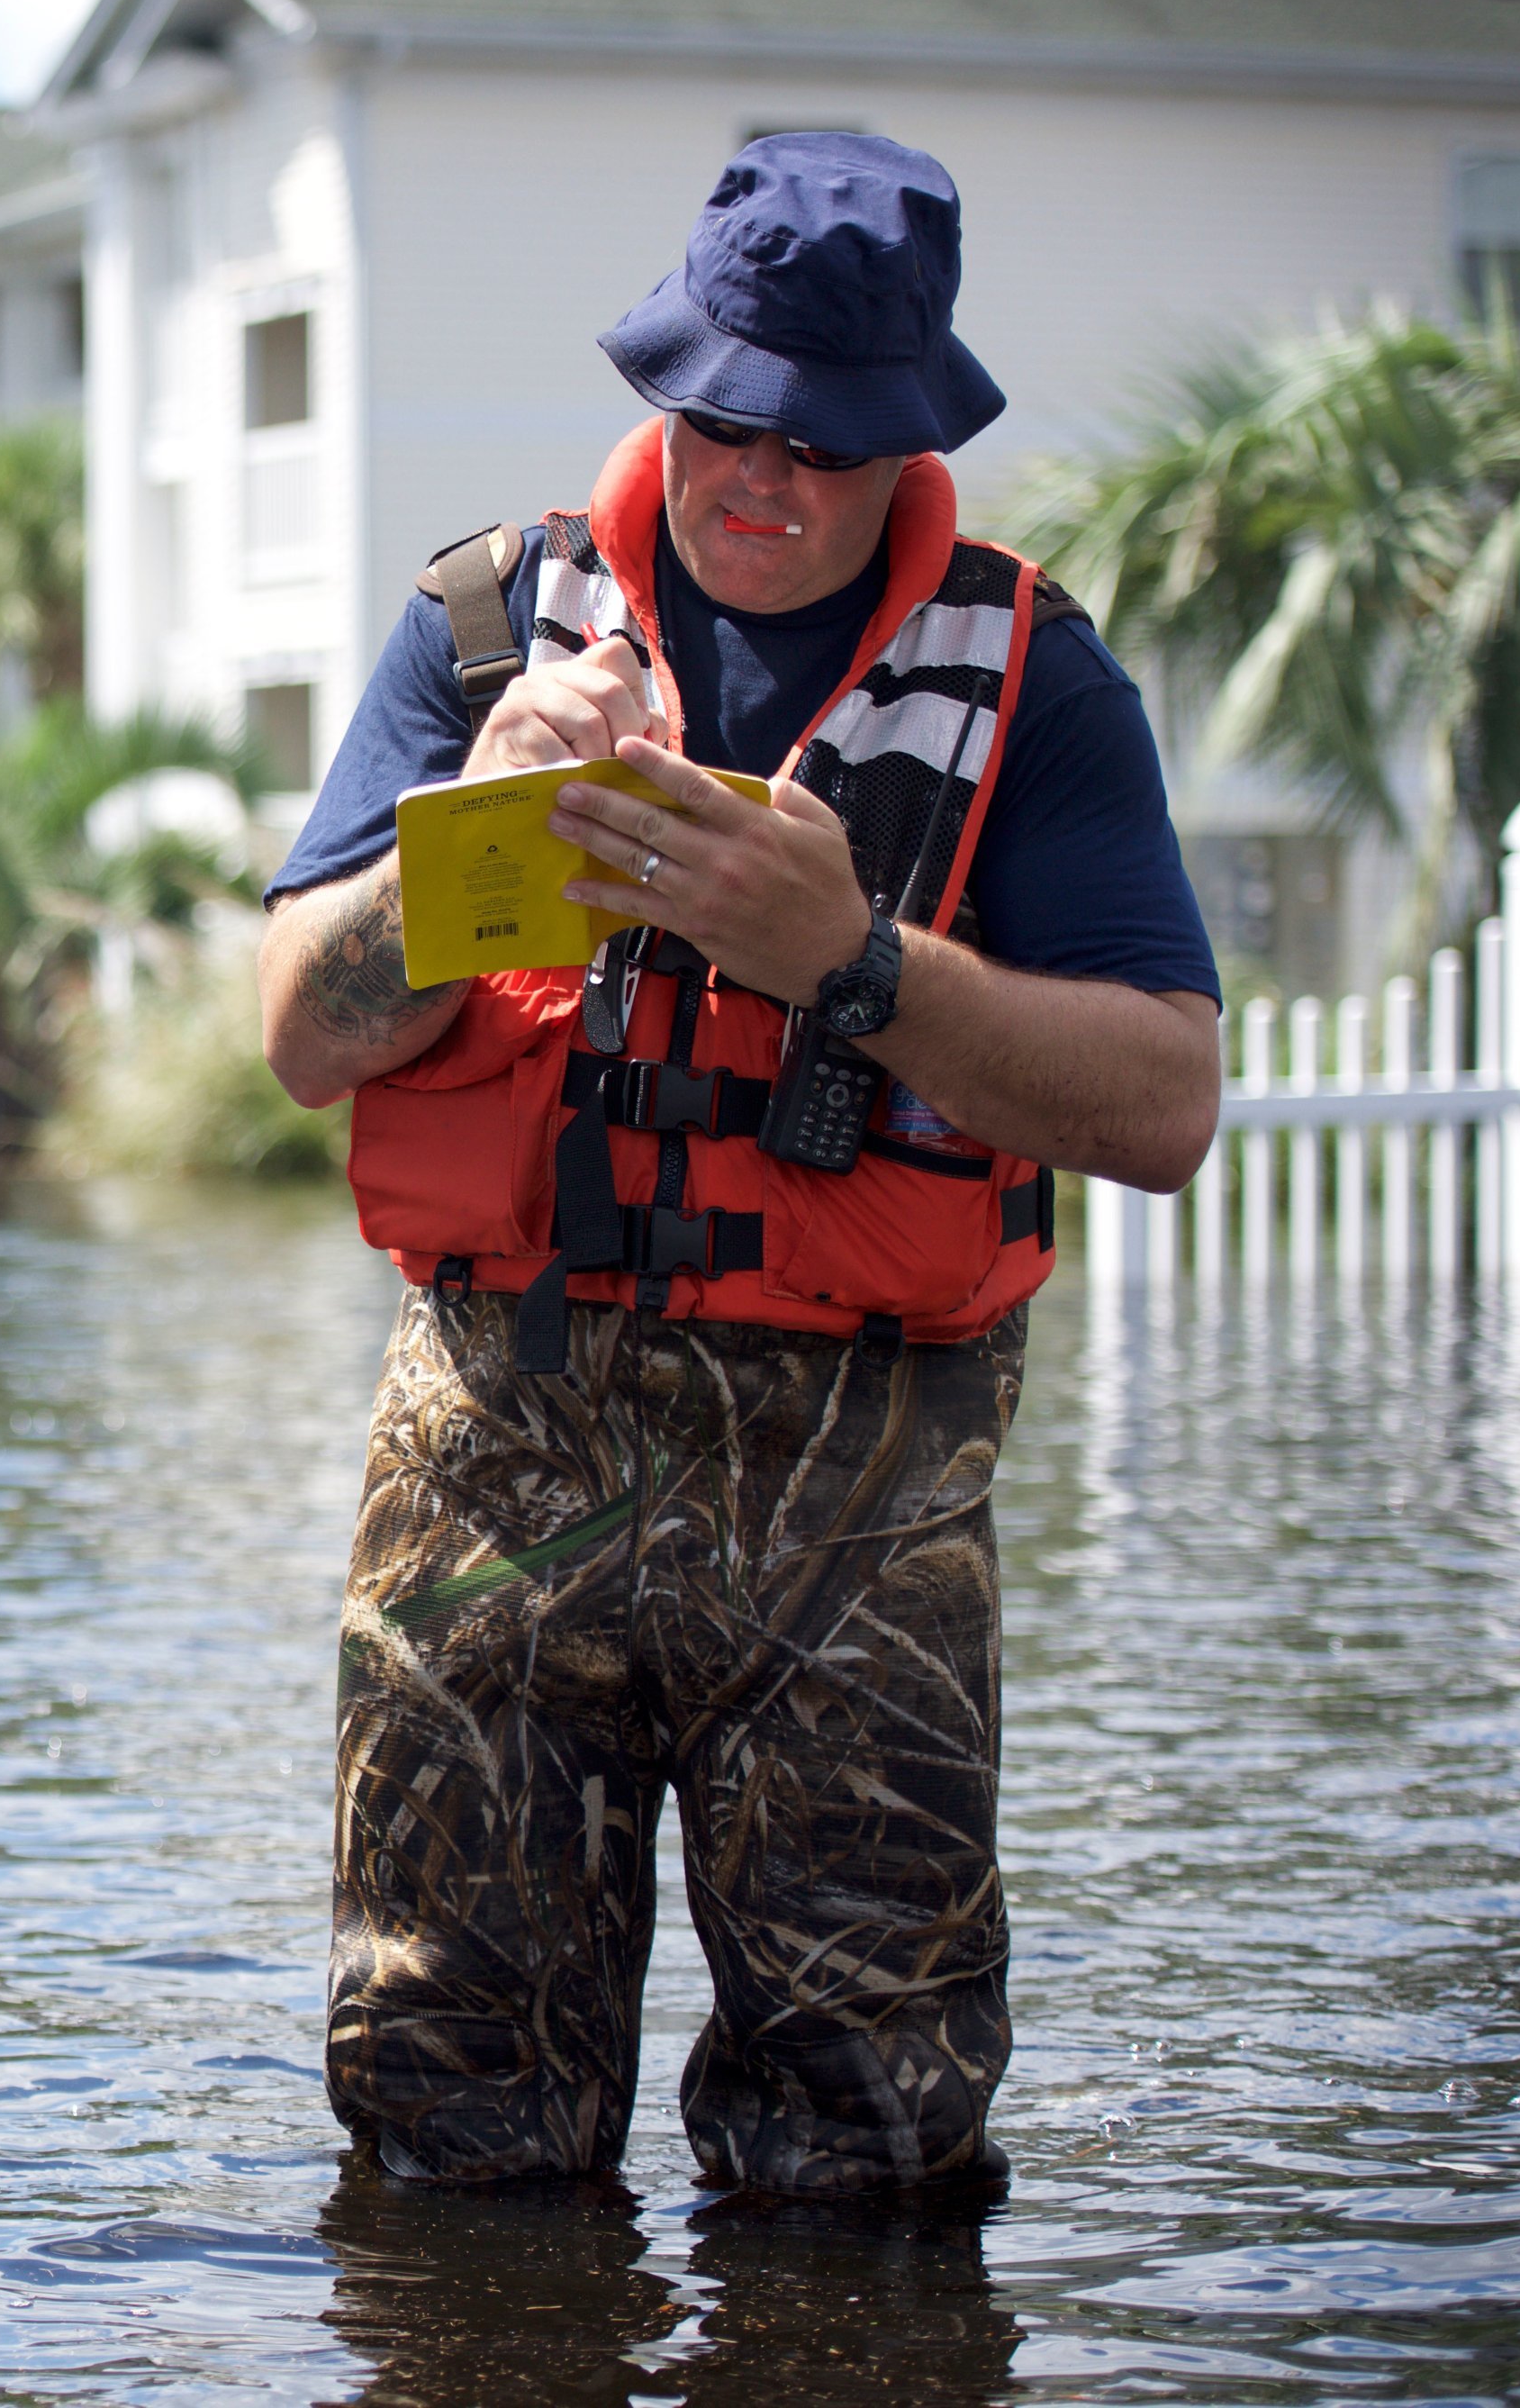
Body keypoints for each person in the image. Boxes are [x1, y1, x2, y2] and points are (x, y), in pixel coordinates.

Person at [257, 135, 1221, 2194]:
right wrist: (465, 852)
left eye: (817, 438)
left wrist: (850, 963)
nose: (756, 476)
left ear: (904, 438)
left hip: (859, 1494)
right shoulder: (478, 628)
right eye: (717, 419)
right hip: (494, 1456)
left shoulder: (1035, 677)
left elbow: (1161, 1105)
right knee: (440, 2112)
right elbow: (300, 1037)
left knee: (870, 2144)